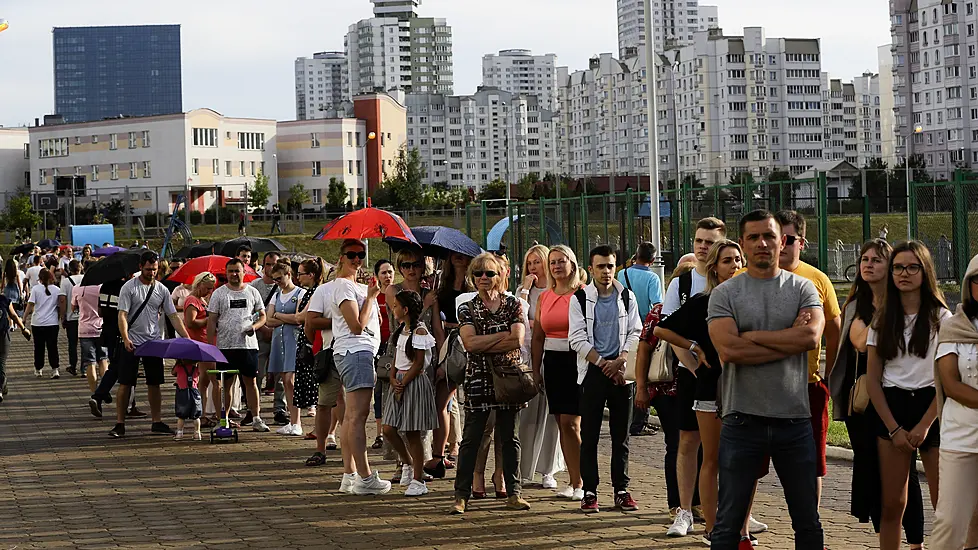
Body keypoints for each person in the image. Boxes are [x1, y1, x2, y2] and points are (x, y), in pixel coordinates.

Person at [707, 209, 825, 549]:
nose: (763, 243)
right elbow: (729, 351)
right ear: (743, 243)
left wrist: (754, 336)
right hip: (742, 419)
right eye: (754, 237)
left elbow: (811, 339)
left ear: (783, 240)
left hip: (794, 420)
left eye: (770, 236)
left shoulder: (803, 288)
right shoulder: (726, 294)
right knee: (728, 524)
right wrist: (788, 339)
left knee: (807, 523)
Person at [828, 239, 926, 546]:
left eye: (877, 260)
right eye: (864, 259)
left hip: (900, 397)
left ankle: (916, 541)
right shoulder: (856, 305)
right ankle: (889, 537)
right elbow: (858, 342)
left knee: (906, 474)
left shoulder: (906, 308)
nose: (868, 264)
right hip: (863, 402)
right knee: (876, 476)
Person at [653, 240, 743, 543]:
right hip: (710, 388)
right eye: (727, 261)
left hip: (745, 387)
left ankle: (739, 527)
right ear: (715, 267)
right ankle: (711, 527)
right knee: (713, 457)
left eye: (737, 260)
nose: (734, 266)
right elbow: (661, 329)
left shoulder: (750, 300)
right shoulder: (703, 302)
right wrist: (693, 347)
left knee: (741, 460)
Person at [865, 241, 949, 550]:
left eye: (912, 267)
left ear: (925, 272)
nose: (904, 273)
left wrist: (925, 425)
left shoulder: (942, 317)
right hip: (892, 409)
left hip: (933, 409)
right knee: (892, 504)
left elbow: (946, 380)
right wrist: (894, 428)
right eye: (898, 267)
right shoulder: (882, 319)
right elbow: (873, 381)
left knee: (946, 505)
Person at [658, 217, 726, 524]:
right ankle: (683, 510)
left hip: (728, 378)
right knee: (687, 440)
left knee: (726, 446)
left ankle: (731, 509)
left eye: (709, 242)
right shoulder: (682, 283)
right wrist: (694, 362)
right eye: (699, 241)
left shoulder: (733, 282)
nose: (702, 247)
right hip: (691, 375)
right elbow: (669, 330)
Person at [450, 253, 529, 515]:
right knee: (471, 438)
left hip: (508, 379)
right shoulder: (466, 307)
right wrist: (502, 335)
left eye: (489, 273)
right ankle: (461, 496)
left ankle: (514, 493)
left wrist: (487, 340)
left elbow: (518, 340)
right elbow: (469, 343)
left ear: (501, 275)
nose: (483, 278)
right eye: (478, 273)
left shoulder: (513, 304)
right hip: (478, 378)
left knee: (509, 438)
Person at [774, 210, 842, 508]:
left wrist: (830, 373)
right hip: (762, 386)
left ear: (802, 242)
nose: (782, 245)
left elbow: (835, 329)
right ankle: (742, 532)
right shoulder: (746, 278)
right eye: (777, 238)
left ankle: (810, 529)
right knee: (750, 464)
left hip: (808, 386)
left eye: (789, 239)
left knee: (811, 462)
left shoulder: (817, 279)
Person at [310, 239, 389, 495]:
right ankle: (365, 476)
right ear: (340, 257)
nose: (357, 259)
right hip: (355, 351)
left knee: (350, 417)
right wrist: (370, 298)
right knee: (357, 417)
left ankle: (349, 474)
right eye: (352, 255)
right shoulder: (344, 286)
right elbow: (357, 325)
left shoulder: (352, 285)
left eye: (361, 255)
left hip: (356, 352)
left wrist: (368, 294)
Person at [568, 245, 642, 514]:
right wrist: (603, 364)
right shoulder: (579, 299)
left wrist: (622, 359)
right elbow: (576, 339)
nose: (606, 271)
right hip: (592, 374)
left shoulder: (627, 297)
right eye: (600, 266)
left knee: (620, 436)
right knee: (589, 436)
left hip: (622, 376)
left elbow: (636, 331)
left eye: (610, 266)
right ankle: (589, 491)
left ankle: (621, 489)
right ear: (591, 269)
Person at [110, 251, 190, 438]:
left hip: (153, 342)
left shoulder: (161, 289)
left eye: (154, 269)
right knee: (125, 383)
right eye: (148, 269)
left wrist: (186, 337)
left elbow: (172, 316)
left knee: (155, 383)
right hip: (132, 341)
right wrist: (125, 337)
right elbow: (122, 314)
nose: (151, 273)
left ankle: (157, 421)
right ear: (140, 267)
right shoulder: (129, 288)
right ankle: (119, 423)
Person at [531, 245, 586, 500]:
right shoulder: (545, 297)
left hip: (577, 360)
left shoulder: (584, 294)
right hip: (552, 362)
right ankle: (575, 481)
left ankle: (583, 480)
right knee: (561, 422)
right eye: (552, 262)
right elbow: (538, 336)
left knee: (571, 423)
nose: (556, 266)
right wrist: (535, 368)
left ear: (572, 264)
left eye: (561, 261)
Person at [932, 253, 978, 549]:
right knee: (950, 521)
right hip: (961, 438)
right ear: (968, 285)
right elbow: (951, 384)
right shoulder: (954, 326)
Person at [383, 289, 439, 497]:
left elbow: (417, 363)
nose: (393, 308)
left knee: (413, 432)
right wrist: (392, 378)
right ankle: (406, 462)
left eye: (396, 306)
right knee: (388, 429)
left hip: (413, 383)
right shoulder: (401, 330)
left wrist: (403, 382)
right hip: (399, 381)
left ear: (405, 309)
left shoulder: (419, 331)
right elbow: (396, 359)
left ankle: (418, 478)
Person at [517, 244, 564, 490]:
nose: (534, 267)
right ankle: (525, 468)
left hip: (554, 353)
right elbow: (519, 319)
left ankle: (548, 469)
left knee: (552, 417)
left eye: (538, 262)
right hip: (528, 357)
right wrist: (525, 289)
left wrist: (539, 323)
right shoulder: (525, 292)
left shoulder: (557, 290)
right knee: (527, 416)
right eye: (530, 262)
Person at [207, 257, 270, 433]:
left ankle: (256, 417)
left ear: (244, 272)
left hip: (248, 346)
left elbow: (263, 315)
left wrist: (255, 327)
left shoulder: (252, 292)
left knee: (251, 382)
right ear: (226, 274)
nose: (234, 274)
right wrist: (210, 346)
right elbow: (212, 321)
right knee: (226, 384)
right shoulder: (219, 293)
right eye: (231, 271)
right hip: (225, 347)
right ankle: (224, 419)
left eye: (237, 270)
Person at [427, 252, 473, 476]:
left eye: (462, 255)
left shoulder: (476, 286)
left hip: (470, 344)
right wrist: (442, 354)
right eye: (453, 255)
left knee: (473, 406)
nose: (457, 258)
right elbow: (437, 325)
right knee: (442, 403)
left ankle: (466, 455)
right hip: (447, 344)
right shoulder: (441, 287)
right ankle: (438, 456)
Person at [302, 257, 346, 469]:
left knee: (351, 403)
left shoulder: (363, 289)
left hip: (357, 352)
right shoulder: (324, 291)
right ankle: (320, 448)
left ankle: (350, 447)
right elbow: (310, 323)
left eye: (359, 255)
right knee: (325, 402)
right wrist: (340, 321)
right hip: (330, 352)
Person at [618, 241, 664, 438]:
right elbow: (657, 304)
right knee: (643, 374)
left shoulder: (622, 274)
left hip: (624, 325)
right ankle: (640, 421)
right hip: (644, 329)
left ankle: (628, 419)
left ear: (635, 255)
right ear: (653, 260)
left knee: (630, 374)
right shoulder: (652, 278)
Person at [266, 262, 306, 436]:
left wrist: (279, 316)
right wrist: (284, 318)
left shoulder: (300, 293)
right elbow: (268, 320)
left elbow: (298, 318)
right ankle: (292, 420)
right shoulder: (276, 294)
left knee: (291, 380)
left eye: (280, 278)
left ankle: (297, 421)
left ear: (289, 274)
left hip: (293, 339)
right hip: (279, 340)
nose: (278, 282)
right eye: (275, 279)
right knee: (284, 380)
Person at [252, 251, 286, 425]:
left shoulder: (285, 287)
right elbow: (250, 312)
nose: (271, 268)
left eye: (275, 264)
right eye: (268, 264)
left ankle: (280, 408)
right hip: (259, 335)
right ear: (263, 265)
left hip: (280, 335)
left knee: (282, 374)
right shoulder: (254, 286)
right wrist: (263, 327)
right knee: (257, 373)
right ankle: (254, 410)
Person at [184, 272, 218, 428]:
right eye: (208, 288)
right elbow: (190, 323)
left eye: (212, 289)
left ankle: (204, 412)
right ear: (199, 284)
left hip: (207, 343)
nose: (210, 291)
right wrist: (208, 320)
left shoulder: (202, 300)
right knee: (209, 379)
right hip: (201, 344)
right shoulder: (192, 300)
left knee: (206, 380)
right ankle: (205, 413)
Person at [373, 258, 396, 449]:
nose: (387, 276)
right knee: (379, 390)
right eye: (383, 273)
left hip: (396, 345)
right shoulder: (374, 296)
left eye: (390, 272)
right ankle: (379, 432)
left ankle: (393, 430)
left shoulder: (399, 294)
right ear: (377, 276)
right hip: (379, 347)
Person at [25, 269, 63, 379]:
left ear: (40, 278)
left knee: (38, 347)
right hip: (52, 323)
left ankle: (38, 369)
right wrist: (61, 318)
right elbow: (59, 306)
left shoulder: (36, 289)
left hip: (37, 323)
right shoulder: (57, 290)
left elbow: (30, 304)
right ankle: (55, 369)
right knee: (52, 346)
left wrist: (24, 318)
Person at [72, 281, 106, 396]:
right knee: (103, 359)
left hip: (84, 330)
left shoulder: (77, 288)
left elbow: (73, 308)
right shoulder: (102, 287)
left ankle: (94, 393)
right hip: (101, 328)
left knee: (90, 362)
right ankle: (104, 390)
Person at [0, 285, 30, 403]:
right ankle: (1, 387)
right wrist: (23, 329)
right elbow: (13, 315)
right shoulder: (3, 299)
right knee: (1, 360)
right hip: (2, 334)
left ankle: (3, 385)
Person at [60, 260, 84, 377]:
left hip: (71, 317)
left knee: (72, 343)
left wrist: (63, 316)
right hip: (85, 317)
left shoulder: (65, 282)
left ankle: (73, 366)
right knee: (85, 343)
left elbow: (63, 300)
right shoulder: (86, 279)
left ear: (69, 269)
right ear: (81, 267)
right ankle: (85, 368)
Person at [172, 360, 202, 441]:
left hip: (182, 392)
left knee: (181, 415)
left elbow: (173, 373)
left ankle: (179, 433)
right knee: (196, 416)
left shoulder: (179, 367)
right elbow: (197, 379)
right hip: (194, 393)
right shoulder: (195, 369)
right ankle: (197, 433)